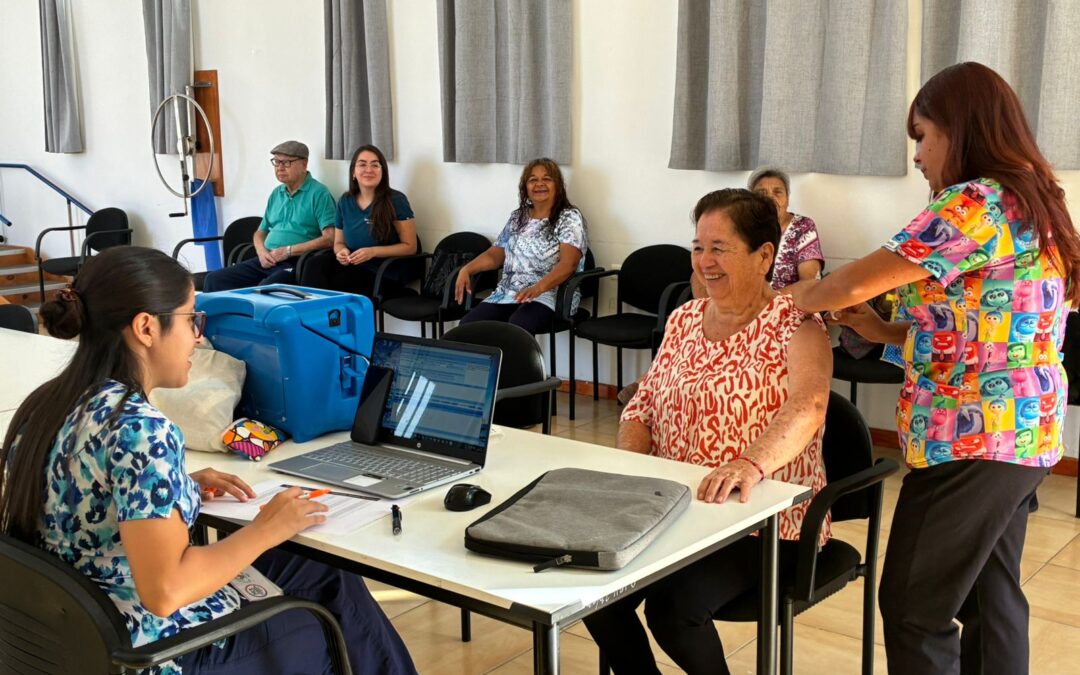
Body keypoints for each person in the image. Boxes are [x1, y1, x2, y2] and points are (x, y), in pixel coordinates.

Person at [785, 62, 1080, 675]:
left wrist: (776, 301)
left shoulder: (975, 202)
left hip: (971, 440)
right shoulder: (1034, 198)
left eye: (923, 136)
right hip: (1022, 434)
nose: (917, 156)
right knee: (991, 599)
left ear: (960, 127)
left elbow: (849, 282)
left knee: (914, 608)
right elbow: (988, 328)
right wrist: (881, 332)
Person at [0, 247, 416, 674]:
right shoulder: (141, 430)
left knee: (319, 569)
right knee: (328, 621)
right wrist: (267, 529)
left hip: (78, 638)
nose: (199, 337)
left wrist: (176, 488)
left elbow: (85, 498)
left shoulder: (47, 404)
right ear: (146, 327)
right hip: (161, 653)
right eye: (190, 320)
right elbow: (166, 591)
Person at [583, 189, 833, 675]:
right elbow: (643, 404)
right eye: (698, 247)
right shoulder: (684, 318)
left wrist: (749, 464)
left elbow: (810, 406)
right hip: (676, 508)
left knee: (674, 610)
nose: (704, 261)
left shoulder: (797, 324)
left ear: (764, 256)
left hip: (762, 521)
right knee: (592, 581)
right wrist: (632, 467)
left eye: (719, 248)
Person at [453, 158, 587, 335]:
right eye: (533, 180)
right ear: (525, 187)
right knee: (468, 326)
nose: (539, 184)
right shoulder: (518, 217)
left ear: (558, 186)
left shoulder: (569, 217)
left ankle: (515, 355)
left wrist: (537, 288)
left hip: (550, 294)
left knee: (517, 326)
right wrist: (467, 269)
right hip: (509, 293)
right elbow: (495, 255)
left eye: (547, 179)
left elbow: (568, 264)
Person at [202, 141, 335, 292]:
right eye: (276, 162)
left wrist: (288, 251)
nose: (280, 168)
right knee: (214, 279)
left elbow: (330, 238)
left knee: (264, 290)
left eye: (286, 162)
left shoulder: (319, 194)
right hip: (267, 258)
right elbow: (260, 232)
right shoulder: (276, 193)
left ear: (304, 164)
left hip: (295, 262)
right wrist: (261, 252)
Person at [299, 144, 418, 297]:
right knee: (313, 264)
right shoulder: (345, 200)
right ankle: (312, 311)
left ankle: (324, 311)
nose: (369, 170)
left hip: (382, 271)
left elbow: (410, 247)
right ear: (353, 172)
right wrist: (341, 252)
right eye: (362, 164)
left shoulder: (396, 200)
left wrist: (373, 252)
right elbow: (338, 242)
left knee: (338, 283)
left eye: (375, 165)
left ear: (382, 172)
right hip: (352, 265)